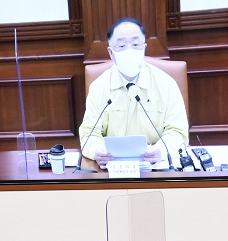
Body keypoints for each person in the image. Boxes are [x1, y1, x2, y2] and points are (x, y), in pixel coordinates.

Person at [78, 17, 189, 167]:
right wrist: (97, 150)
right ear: (111, 53)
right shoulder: (99, 87)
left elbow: (178, 132)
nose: (129, 51)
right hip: (112, 170)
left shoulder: (166, 84)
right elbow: (89, 133)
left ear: (144, 47)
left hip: (156, 167)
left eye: (136, 44)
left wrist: (161, 150)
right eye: (122, 45)